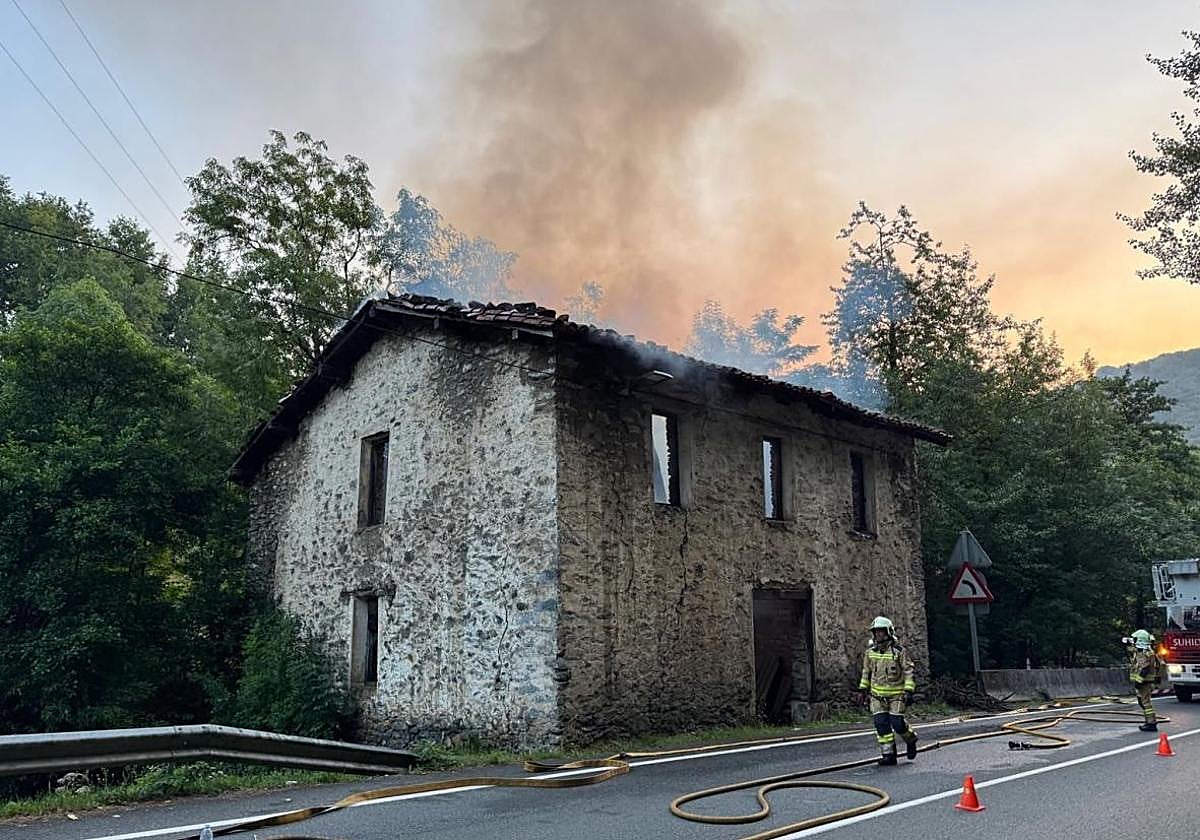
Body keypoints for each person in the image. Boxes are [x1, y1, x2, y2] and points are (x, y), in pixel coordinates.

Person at [857, 616, 918, 765]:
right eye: (876, 632)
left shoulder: (899, 652)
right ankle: (888, 755)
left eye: (881, 632)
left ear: (889, 632)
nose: (878, 635)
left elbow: (908, 671)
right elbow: (866, 672)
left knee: (897, 723)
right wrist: (862, 690)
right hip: (877, 696)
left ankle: (911, 739)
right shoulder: (870, 652)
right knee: (881, 724)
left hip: (896, 695)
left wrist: (909, 691)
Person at [1125, 629, 1160, 732]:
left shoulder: (1143, 653)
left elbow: (1145, 668)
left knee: (1145, 703)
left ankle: (1151, 723)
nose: (1134, 641)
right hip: (1148, 681)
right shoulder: (1148, 651)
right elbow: (1131, 650)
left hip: (1145, 682)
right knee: (1143, 702)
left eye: (1135, 639)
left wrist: (1138, 681)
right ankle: (1149, 721)